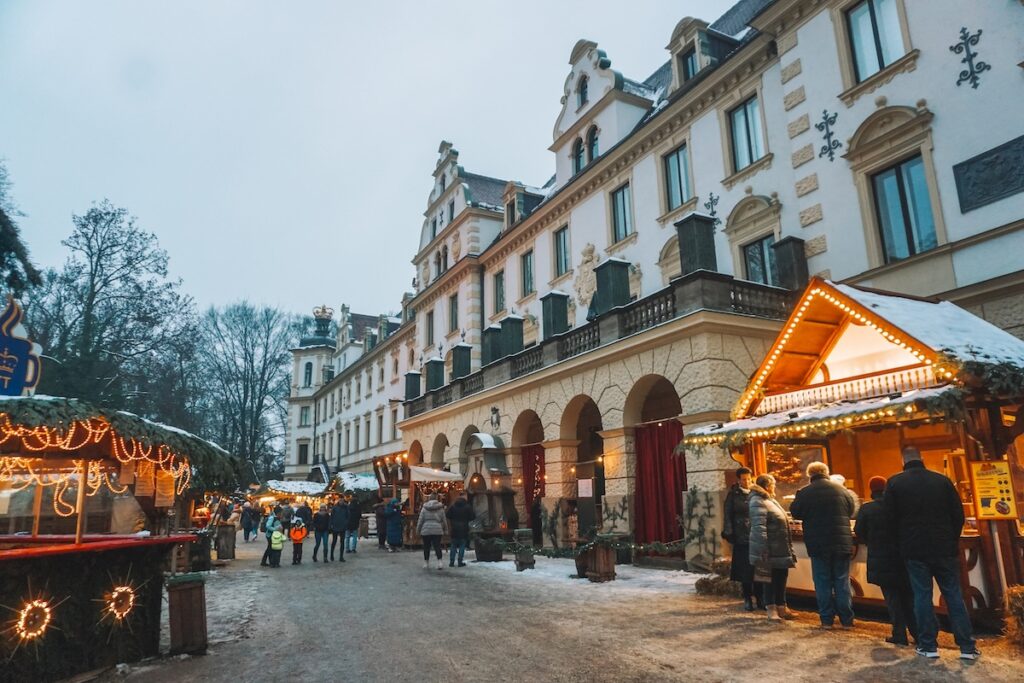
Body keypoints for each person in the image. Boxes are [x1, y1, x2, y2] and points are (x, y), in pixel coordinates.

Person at [885, 446, 979, 660]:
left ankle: (928, 645)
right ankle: (967, 646)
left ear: (903, 460)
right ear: (922, 458)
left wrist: (901, 544)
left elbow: (889, 520)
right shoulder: (942, 481)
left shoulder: (895, 483)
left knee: (922, 596)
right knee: (954, 595)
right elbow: (958, 514)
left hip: (914, 549)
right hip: (944, 548)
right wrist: (951, 538)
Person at [790, 461, 857, 629]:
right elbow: (851, 511)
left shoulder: (805, 493)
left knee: (822, 581)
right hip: (842, 542)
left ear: (810, 475)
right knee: (842, 581)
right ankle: (847, 620)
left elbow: (795, 512)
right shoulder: (842, 491)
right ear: (827, 472)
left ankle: (827, 619)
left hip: (818, 544)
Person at [855, 476, 917, 646]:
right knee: (909, 597)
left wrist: (871, 541)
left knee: (892, 599)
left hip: (880, 558)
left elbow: (859, 531)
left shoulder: (867, 509)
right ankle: (918, 633)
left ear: (871, 490)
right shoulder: (899, 507)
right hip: (902, 557)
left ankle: (899, 634)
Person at [748, 473, 797, 621]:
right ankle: (771, 608)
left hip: (780, 548)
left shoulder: (770, 500)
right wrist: (763, 550)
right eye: (773, 484)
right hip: (767, 549)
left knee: (781, 576)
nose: (775, 487)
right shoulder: (758, 501)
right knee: (767, 579)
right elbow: (759, 528)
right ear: (768, 485)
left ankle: (782, 606)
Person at [722, 467, 761, 611]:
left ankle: (760, 597)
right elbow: (727, 515)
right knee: (745, 570)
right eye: (744, 479)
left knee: (758, 567)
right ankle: (747, 597)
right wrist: (730, 533)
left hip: (755, 534)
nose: (747, 482)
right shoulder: (733, 495)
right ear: (738, 480)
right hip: (741, 536)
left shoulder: (756, 492)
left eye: (749, 478)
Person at [417, 493, 448, 570]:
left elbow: (420, 520)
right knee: (437, 546)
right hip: (437, 529)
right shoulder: (440, 508)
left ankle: (426, 563)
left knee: (426, 547)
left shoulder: (424, 508)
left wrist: (418, 529)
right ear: (437, 499)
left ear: (429, 499)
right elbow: (444, 520)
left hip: (426, 529)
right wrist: (446, 529)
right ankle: (440, 562)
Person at [446, 493, 473, 567]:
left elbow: (447, 515)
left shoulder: (453, 506)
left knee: (453, 545)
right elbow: (472, 517)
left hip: (454, 528)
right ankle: (460, 561)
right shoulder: (468, 507)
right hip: (464, 528)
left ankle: (451, 561)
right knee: (462, 545)